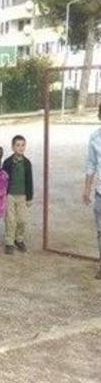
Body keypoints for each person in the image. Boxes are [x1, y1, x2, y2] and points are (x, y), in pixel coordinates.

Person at [2, 135, 33, 254]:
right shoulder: (7, 162)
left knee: (22, 219)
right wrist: (3, 194)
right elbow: (2, 179)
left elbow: (29, 181)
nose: (20, 147)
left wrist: (29, 197)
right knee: (10, 219)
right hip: (9, 195)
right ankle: (9, 242)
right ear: (13, 147)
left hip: (22, 195)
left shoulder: (27, 163)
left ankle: (18, 239)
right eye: (18, 145)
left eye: (23, 145)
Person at [83, 103, 101, 278]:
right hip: (100, 193)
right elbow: (91, 164)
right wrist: (87, 188)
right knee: (100, 231)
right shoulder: (95, 138)